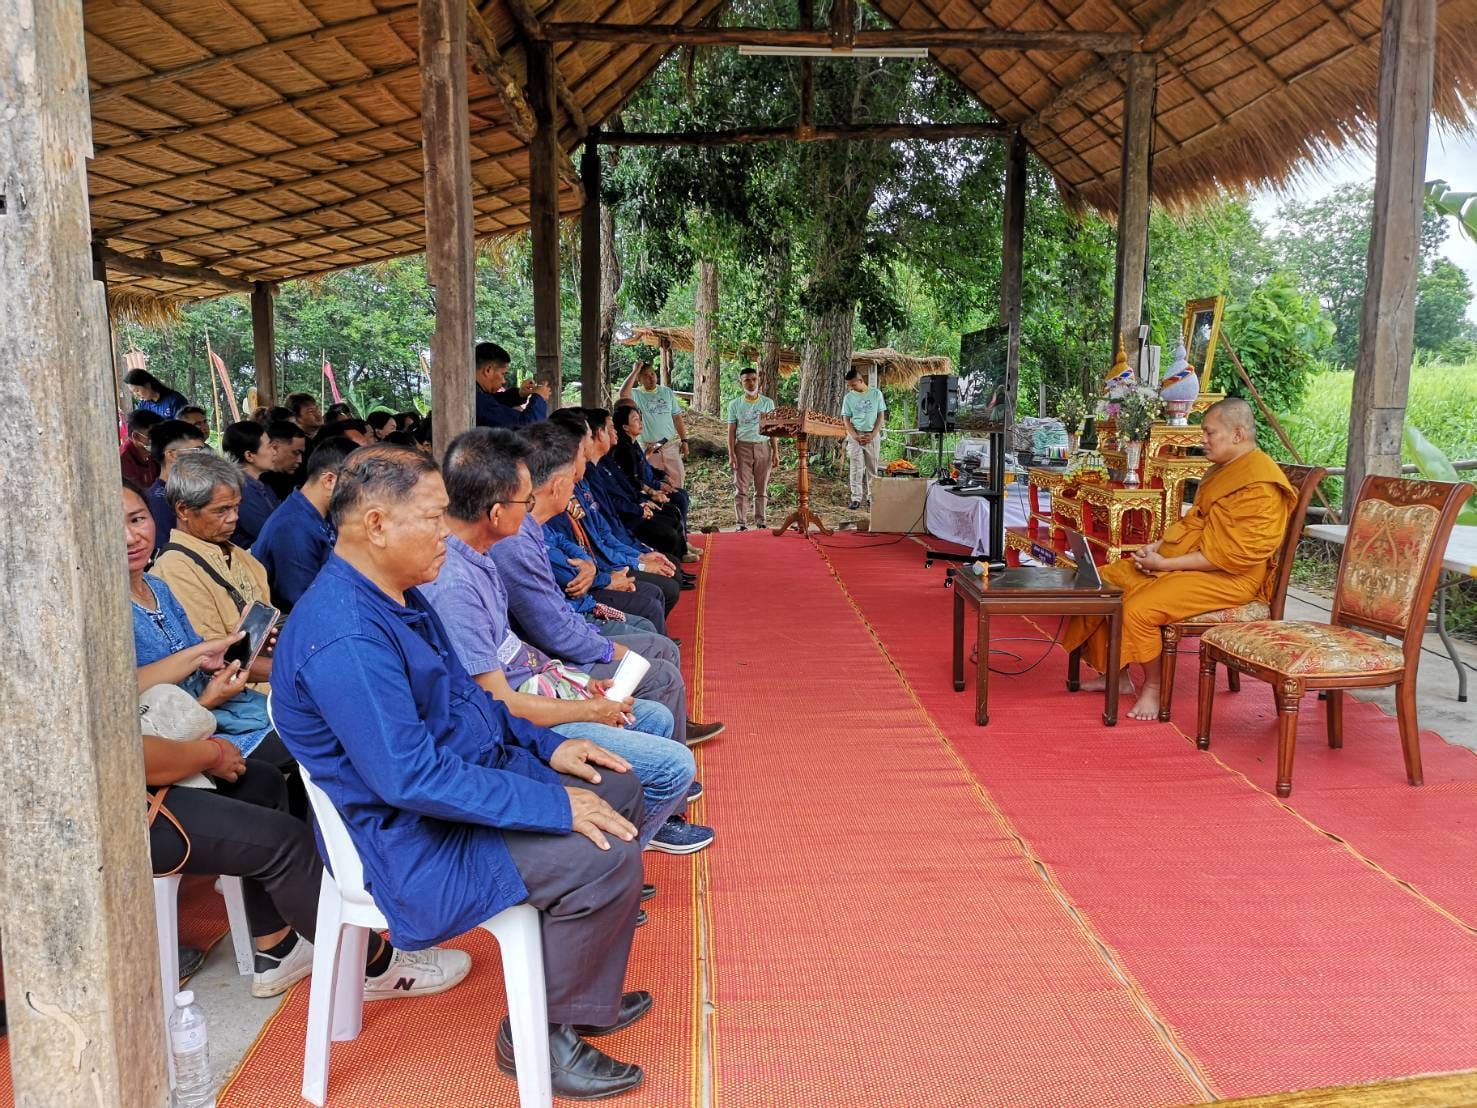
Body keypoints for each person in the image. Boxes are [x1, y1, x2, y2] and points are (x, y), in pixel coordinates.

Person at [270, 445, 652, 1099]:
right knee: (602, 850)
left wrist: (546, 749)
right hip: (413, 840)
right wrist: (555, 808)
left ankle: (576, 987)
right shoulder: (346, 635)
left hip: (458, 790)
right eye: (433, 517)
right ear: (377, 525)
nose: (447, 531)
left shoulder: (396, 596)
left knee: (614, 784)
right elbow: (408, 780)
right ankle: (544, 1031)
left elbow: (474, 703)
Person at [424, 428, 712, 855]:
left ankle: (629, 828)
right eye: (527, 501)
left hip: (536, 686)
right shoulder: (454, 583)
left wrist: (572, 679)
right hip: (514, 726)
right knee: (674, 763)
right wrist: (586, 707)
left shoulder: (478, 556)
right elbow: (497, 704)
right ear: (498, 511)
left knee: (652, 717)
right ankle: (610, 858)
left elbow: (516, 649)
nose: (534, 511)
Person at [490, 423, 723, 749]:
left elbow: (582, 542)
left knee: (656, 637)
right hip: (552, 651)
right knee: (658, 662)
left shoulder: (528, 524)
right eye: (572, 477)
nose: (576, 485)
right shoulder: (512, 540)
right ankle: (662, 756)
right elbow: (553, 628)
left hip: (572, 620)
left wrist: (600, 564)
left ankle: (666, 737)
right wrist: (606, 645)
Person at [1062, 398, 1296, 721]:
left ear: (1238, 435)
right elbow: (1193, 523)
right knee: (1106, 579)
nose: (1203, 440)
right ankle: (1117, 672)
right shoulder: (1224, 470)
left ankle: (1154, 688)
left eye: (1210, 433)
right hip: (1193, 561)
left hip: (1230, 577)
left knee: (1139, 608)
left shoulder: (1260, 486)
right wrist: (1155, 548)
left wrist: (1164, 565)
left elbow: (1229, 554)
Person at [152, 453, 276, 681]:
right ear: (183, 510)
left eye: (236, 507)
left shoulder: (244, 559)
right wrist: (295, 673)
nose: (234, 518)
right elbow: (214, 662)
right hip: (240, 702)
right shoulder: (173, 570)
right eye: (222, 510)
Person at [547, 409, 673, 630]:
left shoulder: (582, 483)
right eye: (586, 441)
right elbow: (571, 575)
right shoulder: (552, 503)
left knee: (660, 589)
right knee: (652, 603)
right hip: (582, 600)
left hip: (604, 567)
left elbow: (600, 535)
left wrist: (639, 556)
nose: (588, 448)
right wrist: (612, 575)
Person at [252, 436, 357, 613]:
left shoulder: (321, 513)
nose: (363, 494)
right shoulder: (293, 529)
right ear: (329, 481)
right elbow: (305, 605)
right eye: (358, 486)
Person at [607, 406, 688, 566]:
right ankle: (675, 562)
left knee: (678, 503)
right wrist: (648, 496)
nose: (640, 422)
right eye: (636, 419)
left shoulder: (633, 445)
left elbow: (642, 469)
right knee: (673, 514)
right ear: (625, 427)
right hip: (630, 510)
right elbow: (631, 482)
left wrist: (661, 479)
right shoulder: (621, 450)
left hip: (638, 499)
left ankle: (682, 548)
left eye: (639, 418)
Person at [619, 360, 688, 488]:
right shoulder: (636, 395)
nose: (651, 377)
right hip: (649, 448)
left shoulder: (667, 392)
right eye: (645, 375)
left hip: (670, 446)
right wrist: (635, 370)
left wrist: (684, 440)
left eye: (652, 373)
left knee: (678, 482)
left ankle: (679, 506)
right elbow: (623, 394)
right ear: (638, 380)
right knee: (653, 484)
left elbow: (677, 418)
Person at [726, 366, 778, 530]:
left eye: (754, 379)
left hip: (763, 447)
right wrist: (731, 453)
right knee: (741, 487)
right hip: (742, 448)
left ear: (758, 380)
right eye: (747, 380)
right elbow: (731, 431)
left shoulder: (767, 403)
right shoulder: (735, 405)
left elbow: (772, 430)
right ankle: (741, 523)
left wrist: (776, 451)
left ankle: (761, 522)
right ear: (741, 382)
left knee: (761, 487)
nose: (751, 383)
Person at [145, 418, 207, 553]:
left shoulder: (182, 492)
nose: (203, 457)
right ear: (171, 455)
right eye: (196, 451)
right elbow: (163, 552)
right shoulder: (160, 502)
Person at [221, 420, 282, 548]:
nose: (274, 452)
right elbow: (270, 533)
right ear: (249, 456)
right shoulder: (241, 490)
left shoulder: (261, 483)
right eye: (269, 447)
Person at [475, 342, 550, 428]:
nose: (504, 381)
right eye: (503, 374)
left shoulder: (476, 394)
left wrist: (519, 393)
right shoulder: (480, 401)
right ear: (488, 370)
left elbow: (496, 400)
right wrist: (539, 398)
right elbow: (528, 428)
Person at [841, 368, 886, 510]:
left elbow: (880, 415)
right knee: (856, 467)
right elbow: (846, 419)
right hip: (855, 435)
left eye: (853, 385)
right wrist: (854, 435)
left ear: (861, 381)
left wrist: (873, 434)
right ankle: (856, 498)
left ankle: (872, 497)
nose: (851, 388)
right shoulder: (848, 398)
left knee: (872, 467)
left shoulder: (876, 394)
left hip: (872, 435)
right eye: (849, 385)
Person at [261, 419, 309, 500]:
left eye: (301, 454)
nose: (300, 460)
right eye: (296, 453)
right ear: (274, 447)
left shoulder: (298, 476)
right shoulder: (257, 485)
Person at [121, 408, 163, 487]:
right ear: (136, 436)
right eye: (154, 434)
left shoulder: (151, 453)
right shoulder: (122, 461)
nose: (159, 439)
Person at [125, 368, 190, 418]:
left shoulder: (175, 400)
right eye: (133, 392)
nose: (136, 395)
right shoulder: (143, 405)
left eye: (137, 391)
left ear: (148, 385)